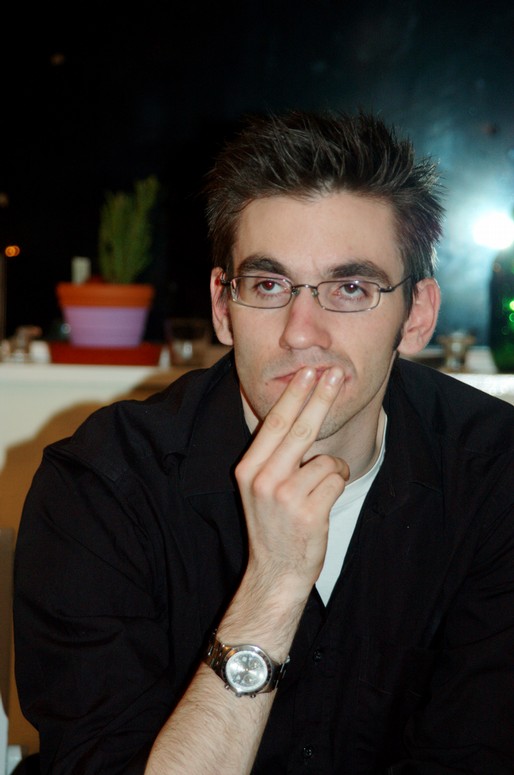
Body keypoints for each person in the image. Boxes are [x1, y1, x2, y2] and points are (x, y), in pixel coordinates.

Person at [13, 110, 514, 775]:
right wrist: (273, 585)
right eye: (269, 284)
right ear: (224, 306)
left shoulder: (494, 474)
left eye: (350, 288)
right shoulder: (101, 486)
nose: (301, 331)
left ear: (417, 314)